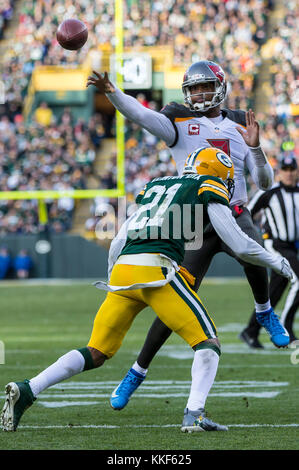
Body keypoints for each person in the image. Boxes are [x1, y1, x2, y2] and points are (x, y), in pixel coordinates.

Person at [1, 147, 292, 433]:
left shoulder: (158, 186)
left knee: (96, 351)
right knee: (208, 343)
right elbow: (240, 244)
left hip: (124, 270)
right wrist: (276, 261)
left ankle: (29, 389)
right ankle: (194, 415)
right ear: (216, 175)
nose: (227, 186)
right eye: (226, 179)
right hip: (156, 271)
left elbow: (118, 240)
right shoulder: (207, 185)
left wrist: (114, 281)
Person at [86, 60, 281, 410]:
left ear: (221, 87)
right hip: (192, 216)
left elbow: (264, 182)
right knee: (174, 295)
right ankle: (137, 370)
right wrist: (114, 94)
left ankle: (264, 311)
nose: (200, 94)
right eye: (194, 88)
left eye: (206, 87)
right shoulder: (178, 119)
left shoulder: (240, 123)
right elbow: (141, 115)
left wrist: (255, 147)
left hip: (233, 209)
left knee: (253, 252)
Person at [240, 155, 299, 347]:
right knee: (298, 281)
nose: (289, 174)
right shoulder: (270, 192)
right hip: (276, 245)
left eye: (292, 170)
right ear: (280, 171)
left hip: (293, 247)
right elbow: (247, 212)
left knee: (275, 290)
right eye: (286, 170)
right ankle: (286, 328)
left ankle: (250, 331)